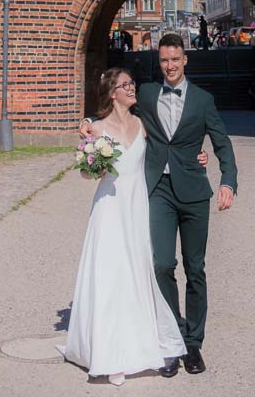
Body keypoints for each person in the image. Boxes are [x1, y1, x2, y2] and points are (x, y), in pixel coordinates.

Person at [61, 68, 190, 384]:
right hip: (110, 208)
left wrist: (197, 155)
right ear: (112, 93)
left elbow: (169, 148)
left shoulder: (143, 124)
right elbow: (86, 173)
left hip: (137, 206)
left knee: (137, 269)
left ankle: (141, 339)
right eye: (125, 85)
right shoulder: (97, 128)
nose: (132, 88)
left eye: (132, 83)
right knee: (111, 272)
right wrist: (95, 168)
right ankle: (110, 352)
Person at [136, 32, 237, 376]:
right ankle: (171, 339)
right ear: (159, 62)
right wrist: (89, 122)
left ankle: (193, 344)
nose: (170, 66)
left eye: (175, 59)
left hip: (194, 192)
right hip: (159, 190)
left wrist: (227, 181)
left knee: (195, 269)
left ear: (185, 60)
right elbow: (116, 108)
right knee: (162, 264)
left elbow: (222, 142)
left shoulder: (203, 100)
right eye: (164, 60)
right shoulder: (146, 93)